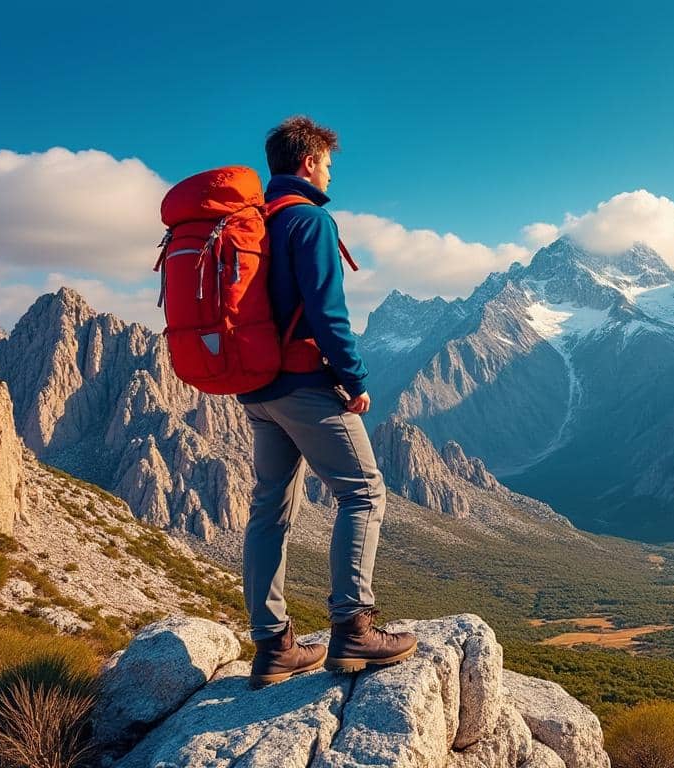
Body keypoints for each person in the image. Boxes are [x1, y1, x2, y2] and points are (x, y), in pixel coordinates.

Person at [237, 116, 416, 689]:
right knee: (363, 492)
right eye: (329, 163)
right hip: (304, 386)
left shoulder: (253, 223)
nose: (331, 173)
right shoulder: (308, 220)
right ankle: (354, 628)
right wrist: (355, 378)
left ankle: (272, 647)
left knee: (269, 510)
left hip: (257, 390)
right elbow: (326, 311)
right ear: (310, 162)